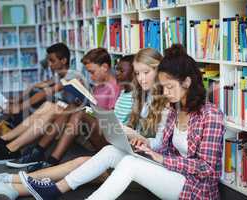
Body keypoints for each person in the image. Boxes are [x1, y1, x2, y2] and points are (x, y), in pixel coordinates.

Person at [15, 44, 224, 200]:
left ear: (187, 82)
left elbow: (208, 169)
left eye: (169, 87)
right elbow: (162, 145)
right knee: (111, 152)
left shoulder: (211, 115)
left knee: (130, 163)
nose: (165, 93)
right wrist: (146, 145)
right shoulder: (173, 109)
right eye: (163, 87)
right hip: (173, 172)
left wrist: (161, 160)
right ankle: (55, 190)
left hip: (196, 188)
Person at [0, 48, 169, 199]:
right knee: (80, 161)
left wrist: (139, 139)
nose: (140, 78)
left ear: (159, 71)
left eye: (146, 73)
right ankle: (11, 182)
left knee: (83, 162)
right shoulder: (143, 97)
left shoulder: (166, 103)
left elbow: (161, 146)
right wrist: (129, 134)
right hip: (131, 153)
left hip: (147, 165)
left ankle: (14, 184)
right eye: (138, 73)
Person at [7, 55, 135, 171]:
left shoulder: (120, 90)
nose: (117, 73)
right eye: (117, 69)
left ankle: (45, 156)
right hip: (103, 128)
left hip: (110, 135)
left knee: (73, 111)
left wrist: (92, 108)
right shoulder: (120, 91)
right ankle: (41, 153)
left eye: (121, 71)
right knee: (71, 107)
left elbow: (112, 116)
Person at [0, 43, 80, 164]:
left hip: (73, 117)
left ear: (64, 60)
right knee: (48, 105)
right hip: (63, 112)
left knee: (50, 106)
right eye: (49, 61)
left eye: (52, 61)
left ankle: (11, 146)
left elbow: (46, 92)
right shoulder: (60, 74)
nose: (50, 65)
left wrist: (19, 107)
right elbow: (39, 86)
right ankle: (5, 140)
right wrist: (16, 101)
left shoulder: (72, 75)